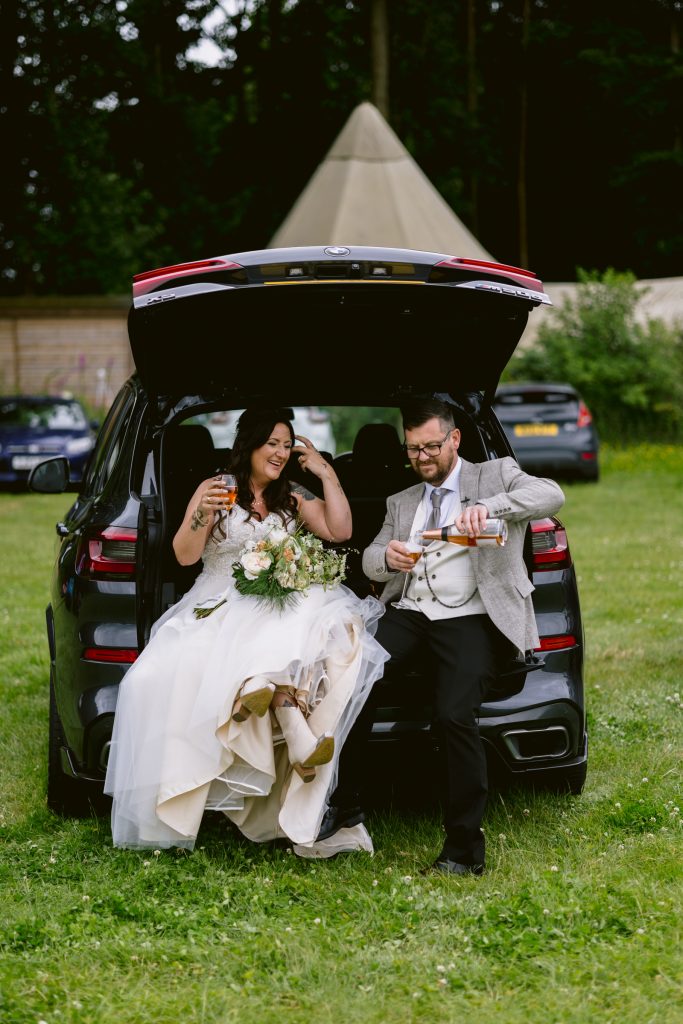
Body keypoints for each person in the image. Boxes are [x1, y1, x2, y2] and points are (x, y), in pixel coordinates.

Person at [104, 407, 389, 857]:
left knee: (304, 617)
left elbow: (340, 529)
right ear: (250, 446)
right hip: (217, 594)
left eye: (286, 444)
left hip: (277, 594)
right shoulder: (217, 488)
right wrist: (201, 511)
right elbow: (183, 555)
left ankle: (270, 697)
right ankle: (282, 716)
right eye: (271, 443)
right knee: (149, 678)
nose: (279, 452)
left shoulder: (291, 494)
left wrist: (325, 473)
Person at [323, 397, 565, 875]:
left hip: (473, 615)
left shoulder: (496, 475)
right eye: (413, 449)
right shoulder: (401, 501)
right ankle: (344, 809)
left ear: (454, 439)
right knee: (351, 676)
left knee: (454, 714)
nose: (423, 458)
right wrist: (387, 559)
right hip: (412, 610)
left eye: (432, 446)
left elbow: (551, 494)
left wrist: (488, 508)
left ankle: (462, 851)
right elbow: (370, 557)